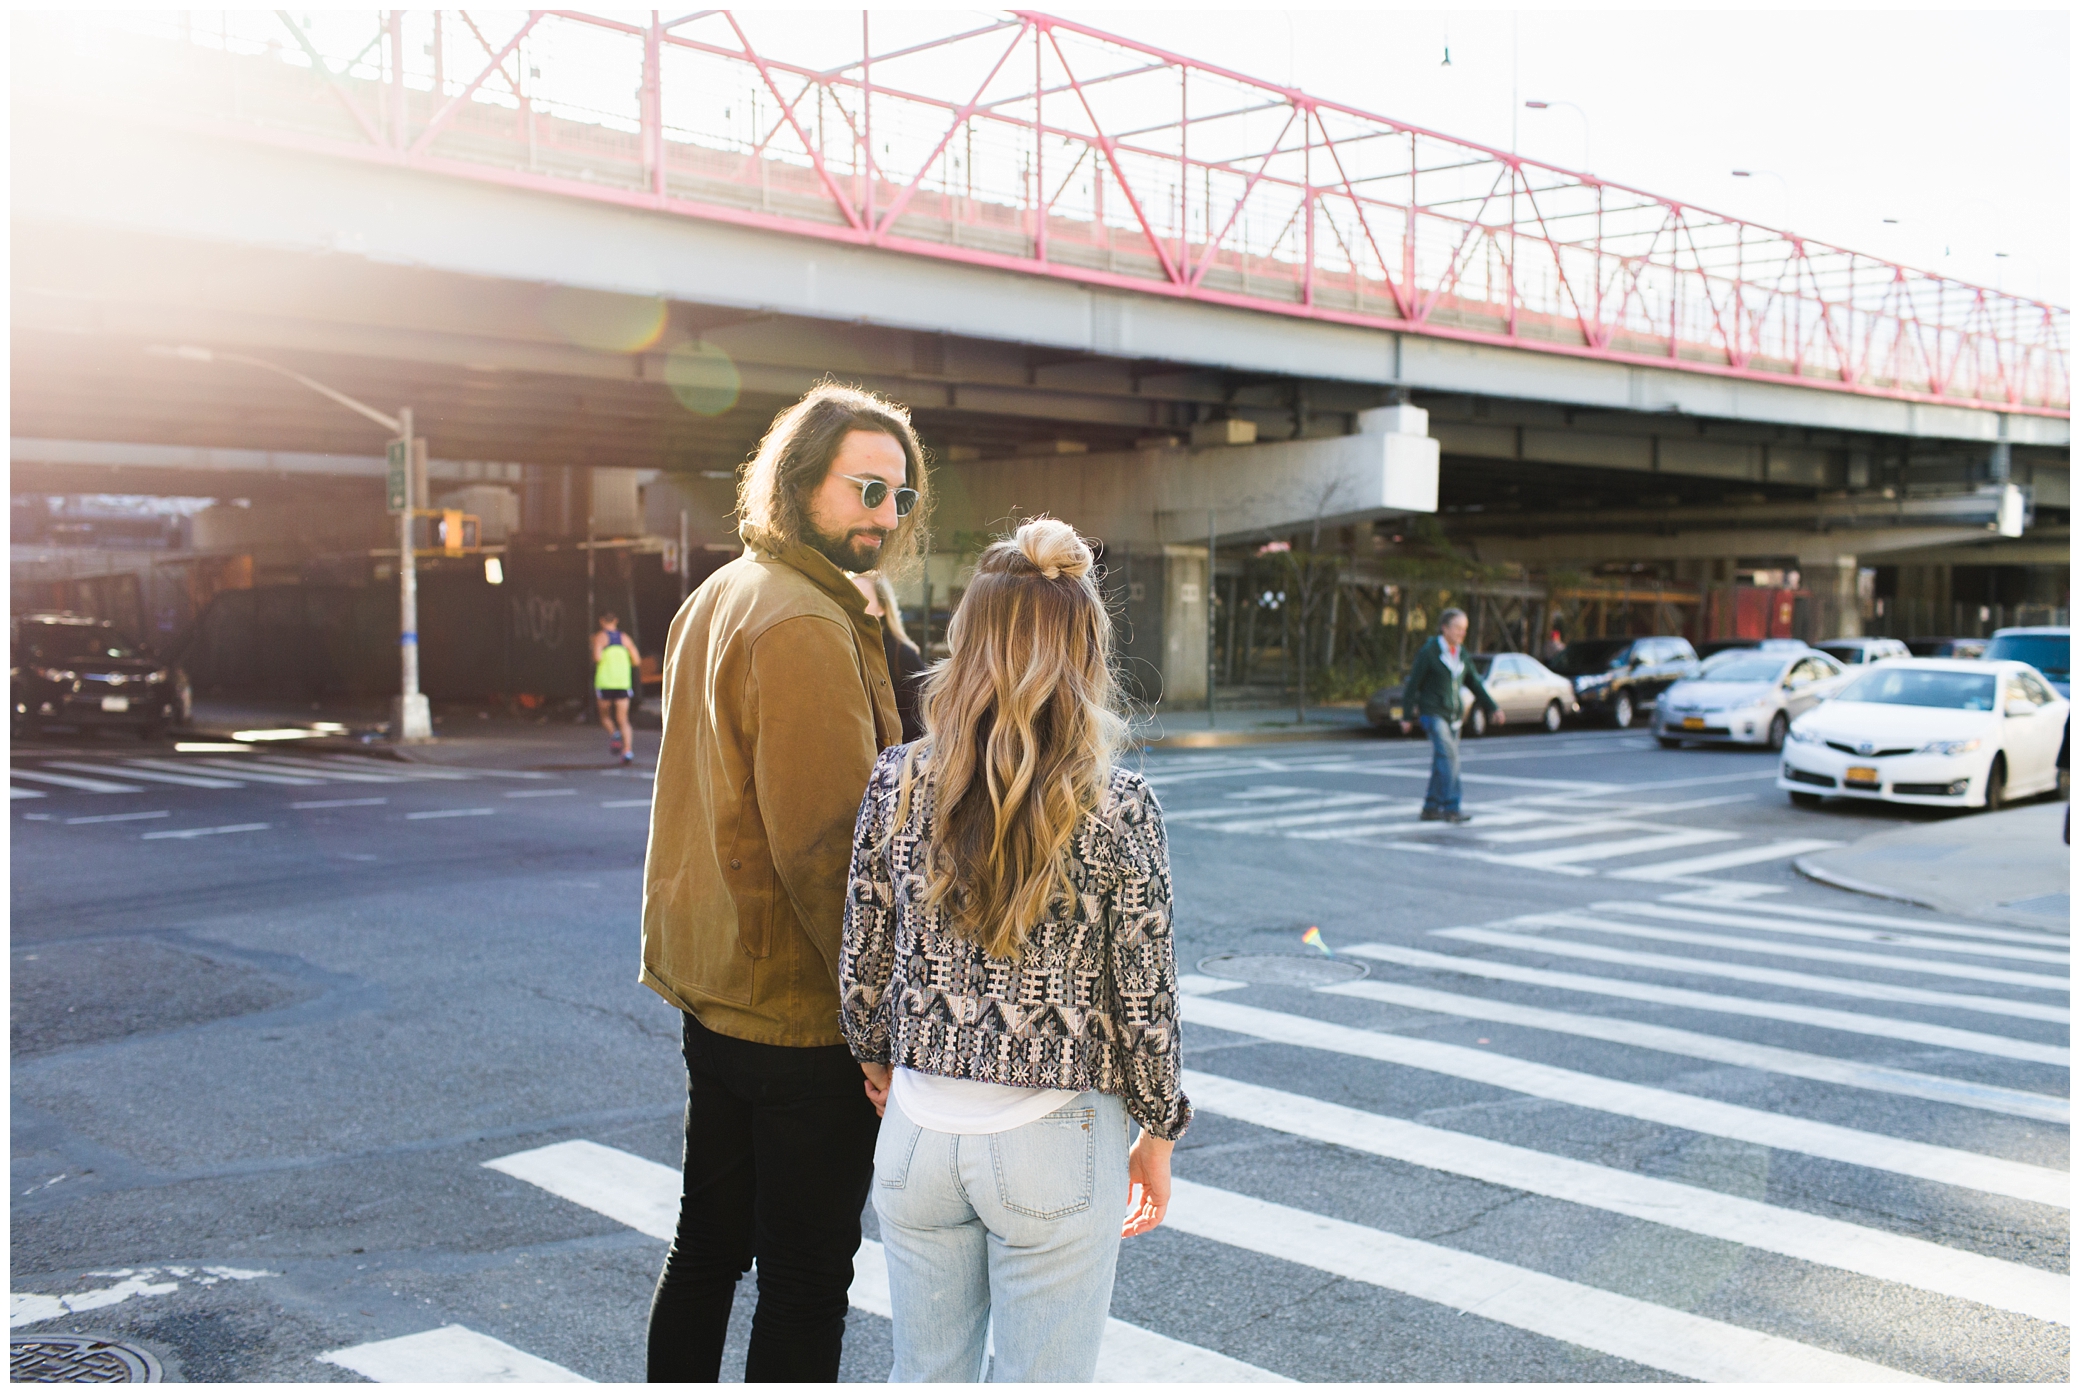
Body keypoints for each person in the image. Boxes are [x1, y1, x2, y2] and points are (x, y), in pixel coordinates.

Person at [838, 517, 1191, 1384]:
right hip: (1055, 1136)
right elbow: (1144, 997)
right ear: (1085, 650)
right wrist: (1159, 1129)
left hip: (918, 1133)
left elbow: (862, 958)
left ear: (968, 639)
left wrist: (875, 1056)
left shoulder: (897, 779)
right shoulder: (1120, 805)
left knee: (923, 1376)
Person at [640, 383, 932, 1383]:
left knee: (708, 1245)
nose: (885, 518)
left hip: (716, 991)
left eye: (897, 495)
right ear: (799, 483)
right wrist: (883, 1030)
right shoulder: (802, 622)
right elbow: (831, 854)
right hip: (802, 1016)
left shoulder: (723, 593)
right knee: (806, 1281)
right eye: (864, 490)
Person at [1405, 606, 1501, 824]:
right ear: (1444, 628)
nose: (1461, 633)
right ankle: (1452, 807)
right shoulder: (1430, 652)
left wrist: (1493, 707)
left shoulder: (1461, 654)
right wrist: (1406, 715)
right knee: (1451, 759)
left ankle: (1430, 807)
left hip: (1453, 717)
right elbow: (1413, 685)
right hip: (1433, 713)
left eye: (1464, 629)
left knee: (1443, 761)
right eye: (1457, 628)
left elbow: (1474, 683)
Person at [851, 573, 929, 743]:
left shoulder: (904, 655)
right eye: (848, 597)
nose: (852, 605)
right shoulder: (843, 647)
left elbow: (925, 717)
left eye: (861, 599)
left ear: (882, 608)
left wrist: (881, 729)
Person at [592, 612, 640, 765]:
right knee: (623, 719)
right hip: (622, 683)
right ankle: (627, 751)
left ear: (601, 621)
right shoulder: (625, 639)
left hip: (605, 683)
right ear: (616, 621)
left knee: (605, 717)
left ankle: (614, 734)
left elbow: (597, 658)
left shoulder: (600, 637)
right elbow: (636, 660)